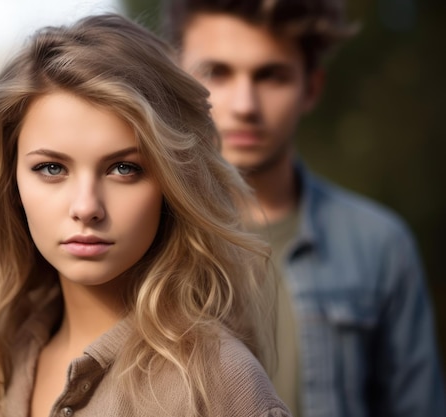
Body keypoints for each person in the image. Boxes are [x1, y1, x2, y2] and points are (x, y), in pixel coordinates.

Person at [0, 13, 291, 417]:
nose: (86, 208)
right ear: (10, 183)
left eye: (123, 168)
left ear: (173, 184)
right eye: (51, 168)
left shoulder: (219, 383)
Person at [163, 1, 446, 416]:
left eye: (271, 76)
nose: (245, 104)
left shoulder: (380, 245)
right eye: (216, 72)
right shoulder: (139, 237)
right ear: (176, 77)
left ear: (311, 88)